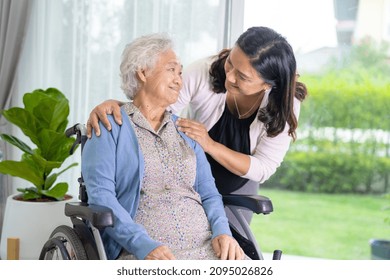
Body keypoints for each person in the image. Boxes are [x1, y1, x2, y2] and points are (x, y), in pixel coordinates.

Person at [86, 26, 308, 230]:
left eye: (242, 76)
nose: (229, 76)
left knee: (231, 250)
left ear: (268, 85)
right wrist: (118, 106)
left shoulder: (284, 105)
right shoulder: (206, 71)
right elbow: (156, 106)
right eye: (231, 62)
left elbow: (263, 167)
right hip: (186, 180)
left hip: (237, 184)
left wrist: (209, 144)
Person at [81, 33, 245, 260]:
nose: (180, 80)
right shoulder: (110, 127)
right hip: (145, 251)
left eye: (180, 73)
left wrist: (223, 233)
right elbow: (102, 197)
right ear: (143, 72)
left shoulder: (187, 132)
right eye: (171, 70)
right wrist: (143, 245)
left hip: (207, 245)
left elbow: (209, 195)